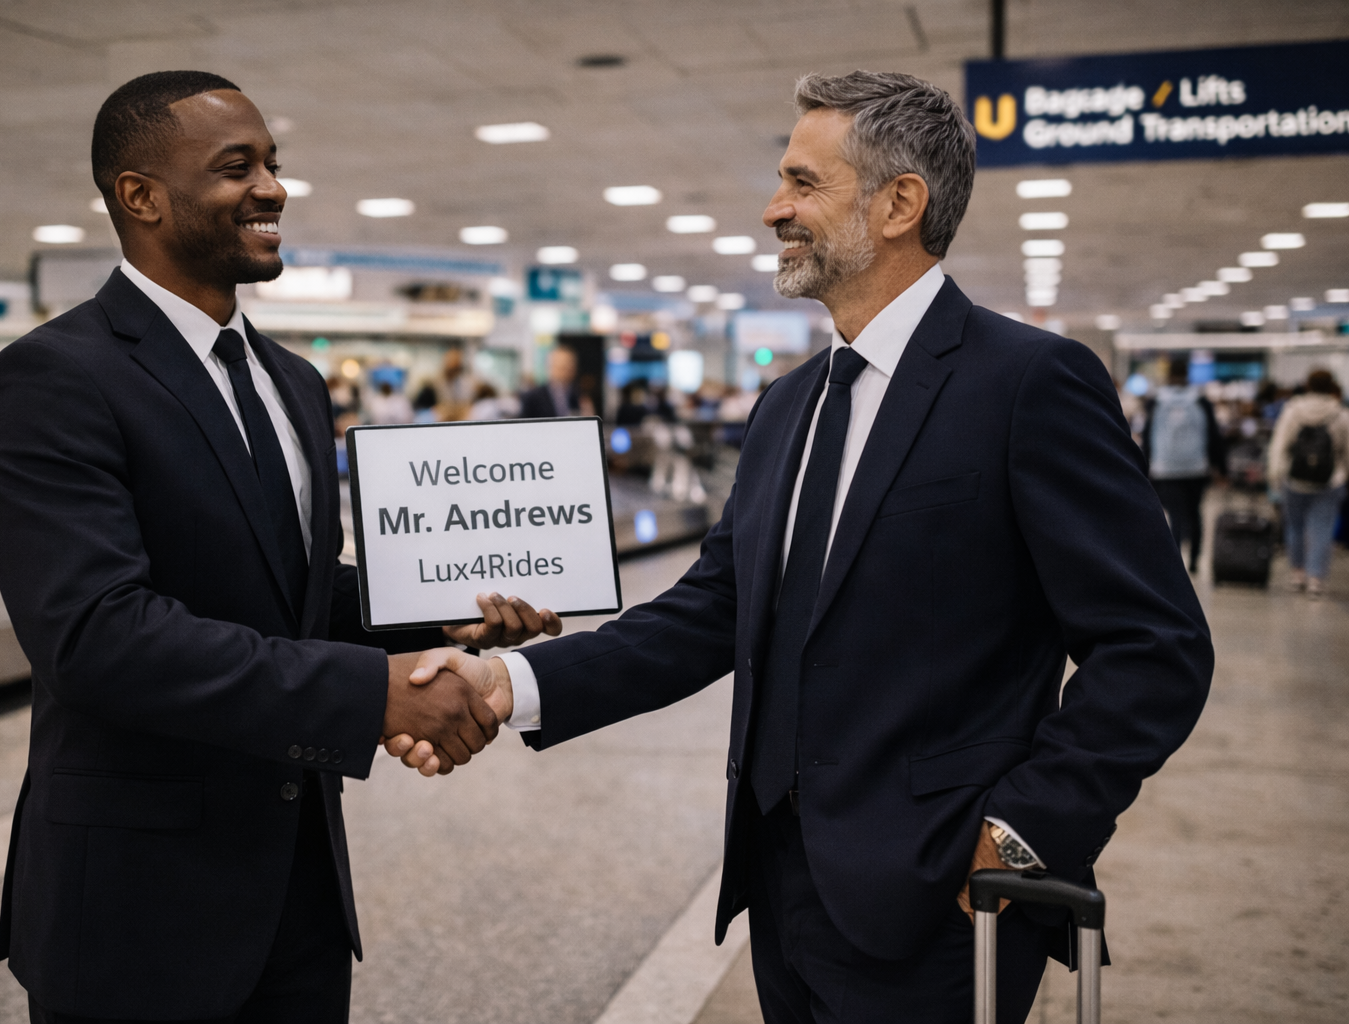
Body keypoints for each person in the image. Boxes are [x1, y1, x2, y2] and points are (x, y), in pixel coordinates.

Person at [393, 70, 1213, 1024]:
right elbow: (712, 612)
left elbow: (1155, 648)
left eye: (803, 182)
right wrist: (509, 685)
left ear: (901, 202)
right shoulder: (789, 404)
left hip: (946, 893)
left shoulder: (1030, 382)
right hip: (782, 887)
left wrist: (1025, 829)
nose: (773, 207)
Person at [0, 71, 559, 1024]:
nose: (273, 188)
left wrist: (439, 604)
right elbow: (97, 638)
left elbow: (292, 596)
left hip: (297, 894)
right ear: (140, 195)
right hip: (136, 906)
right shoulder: (52, 377)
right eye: (236, 166)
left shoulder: (292, 382)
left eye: (274, 165)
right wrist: (373, 694)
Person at [1268, 369, 1349, 598]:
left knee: (1294, 526)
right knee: (1322, 529)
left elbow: (1280, 444)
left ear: (1307, 385)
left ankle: (1297, 574)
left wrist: (1275, 475)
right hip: (1330, 481)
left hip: (1294, 480)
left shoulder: (1293, 410)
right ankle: (1316, 579)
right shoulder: (1340, 413)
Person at [1143, 366, 1225, 572]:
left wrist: (1144, 465)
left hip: (1165, 468)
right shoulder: (1200, 401)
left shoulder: (1156, 401)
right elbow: (1213, 435)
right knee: (1195, 513)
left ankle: (1175, 560)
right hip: (1196, 468)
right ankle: (1195, 560)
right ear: (1186, 377)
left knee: (1175, 515)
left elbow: (1147, 436)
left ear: (1169, 377)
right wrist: (1220, 467)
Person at [518, 345, 582, 418]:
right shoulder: (532, 397)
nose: (566, 371)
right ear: (550, 367)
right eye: (561, 367)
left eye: (570, 365)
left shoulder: (581, 396)